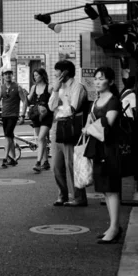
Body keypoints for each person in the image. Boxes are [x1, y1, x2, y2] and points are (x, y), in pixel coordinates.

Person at [82, 67, 123, 244]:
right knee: (105, 190)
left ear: (111, 82)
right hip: (99, 150)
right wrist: (89, 127)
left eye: (101, 79)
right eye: (96, 78)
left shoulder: (114, 101)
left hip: (111, 150)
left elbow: (108, 124)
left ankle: (114, 228)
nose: (97, 81)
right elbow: (90, 122)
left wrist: (89, 128)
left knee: (112, 189)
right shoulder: (97, 100)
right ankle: (113, 226)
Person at [48, 60, 88, 207]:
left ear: (64, 72)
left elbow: (73, 109)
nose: (55, 73)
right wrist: (55, 90)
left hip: (70, 128)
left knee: (71, 164)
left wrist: (61, 109)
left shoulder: (77, 87)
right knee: (56, 166)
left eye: (57, 70)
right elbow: (52, 107)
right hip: (57, 126)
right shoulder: (59, 88)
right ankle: (62, 195)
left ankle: (79, 197)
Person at [0, 68, 28, 168]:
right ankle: (13, 159)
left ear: (12, 75)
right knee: (9, 136)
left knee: (7, 136)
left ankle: (5, 158)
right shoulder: (2, 87)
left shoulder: (17, 87)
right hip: (4, 115)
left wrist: (22, 115)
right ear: (3, 76)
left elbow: (25, 101)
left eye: (9, 74)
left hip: (13, 115)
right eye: (5, 74)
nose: (8, 76)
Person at [27, 68, 53, 173]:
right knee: (41, 139)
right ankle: (46, 162)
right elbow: (28, 100)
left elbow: (54, 101)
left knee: (41, 138)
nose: (35, 77)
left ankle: (38, 163)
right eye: (34, 75)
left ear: (42, 76)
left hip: (47, 116)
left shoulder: (49, 88)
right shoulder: (34, 87)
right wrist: (26, 95)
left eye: (37, 75)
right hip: (36, 116)